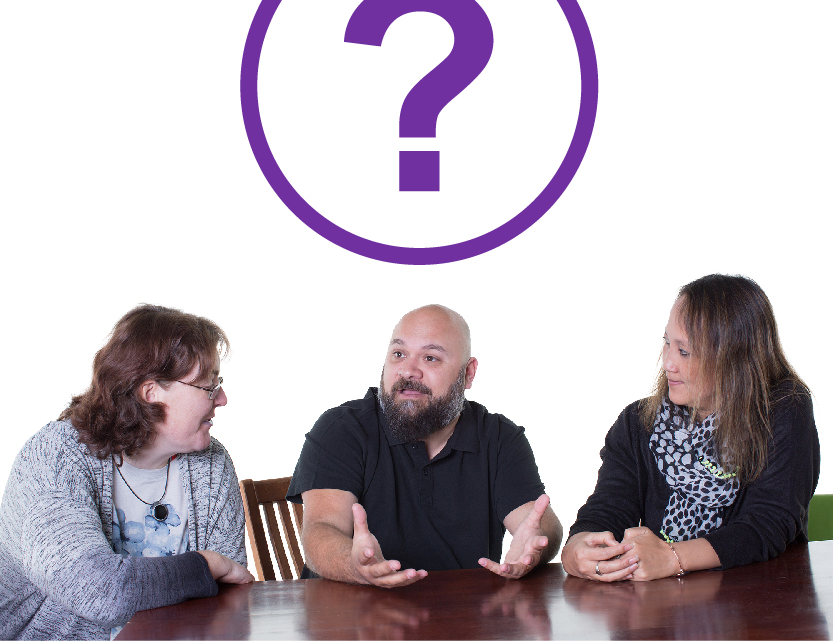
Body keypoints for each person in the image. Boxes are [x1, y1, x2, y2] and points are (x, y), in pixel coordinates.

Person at [0, 305, 253, 640]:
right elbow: (97, 591)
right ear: (151, 394)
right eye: (208, 387)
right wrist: (206, 566)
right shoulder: (55, 458)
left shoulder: (211, 462)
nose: (221, 398)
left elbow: (228, 597)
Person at [562, 274, 820, 582]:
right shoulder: (637, 422)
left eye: (684, 351)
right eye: (667, 343)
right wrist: (577, 547)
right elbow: (610, 507)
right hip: (665, 609)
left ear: (733, 358)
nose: (668, 362)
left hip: (759, 605)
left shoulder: (784, 407)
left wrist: (672, 558)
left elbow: (768, 523)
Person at [287, 304, 562, 588]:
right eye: (399, 354)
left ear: (468, 374)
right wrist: (356, 564)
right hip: (352, 619)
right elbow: (322, 530)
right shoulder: (342, 429)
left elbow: (535, 523)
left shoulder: (500, 437)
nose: (408, 370)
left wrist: (536, 544)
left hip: (462, 620)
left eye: (430, 358)